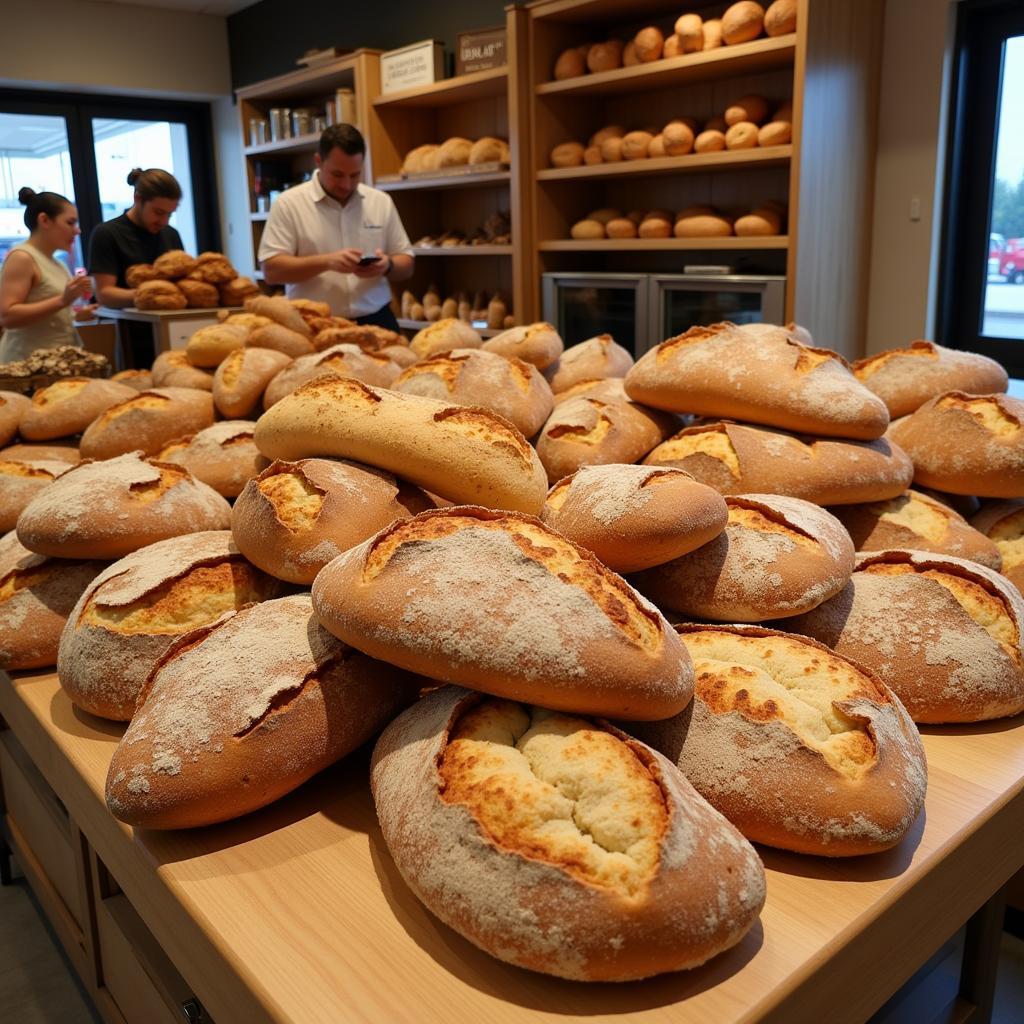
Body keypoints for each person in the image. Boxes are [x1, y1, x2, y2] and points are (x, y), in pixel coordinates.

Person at [258, 124, 414, 330]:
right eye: (338, 175)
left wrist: (388, 266)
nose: (346, 185)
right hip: (314, 324)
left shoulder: (381, 201)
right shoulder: (288, 203)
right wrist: (326, 262)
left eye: (355, 175)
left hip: (377, 320)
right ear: (318, 161)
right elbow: (272, 271)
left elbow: (407, 265)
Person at [0, 188, 94, 363]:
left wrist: (77, 314)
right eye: (70, 223)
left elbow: (50, 314)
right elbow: (7, 316)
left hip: (54, 363)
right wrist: (63, 301)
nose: (77, 231)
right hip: (26, 367)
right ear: (44, 220)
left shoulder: (58, 263)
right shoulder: (22, 257)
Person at [88, 167, 184, 309]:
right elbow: (104, 294)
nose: (164, 222)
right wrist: (157, 295)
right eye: (158, 212)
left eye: (170, 214)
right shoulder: (107, 234)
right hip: (126, 327)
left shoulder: (171, 234)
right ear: (138, 198)